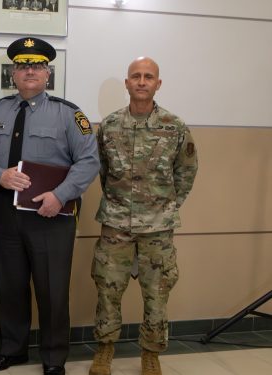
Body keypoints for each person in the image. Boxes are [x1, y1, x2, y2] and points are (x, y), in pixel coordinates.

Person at [0, 37, 99, 375]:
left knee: (53, 289)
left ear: (48, 74)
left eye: (37, 66)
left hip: (52, 216)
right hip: (5, 211)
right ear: (13, 73)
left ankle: (54, 358)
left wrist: (61, 194)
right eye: (22, 66)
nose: (30, 71)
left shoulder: (70, 114)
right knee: (9, 285)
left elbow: (89, 161)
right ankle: (13, 349)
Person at [88, 57, 198, 375]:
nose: (141, 81)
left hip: (158, 228)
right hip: (116, 224)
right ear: (126, 83)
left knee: (157, 291)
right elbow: (103, 172)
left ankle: (151, 353)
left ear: (158, 84)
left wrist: (166, 208)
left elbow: (186, 172)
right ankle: (104, 350)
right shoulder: (108, 126)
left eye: (148, 76)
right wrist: (120, 204)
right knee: (108, 288)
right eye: (135, 76)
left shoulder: (174, 127)